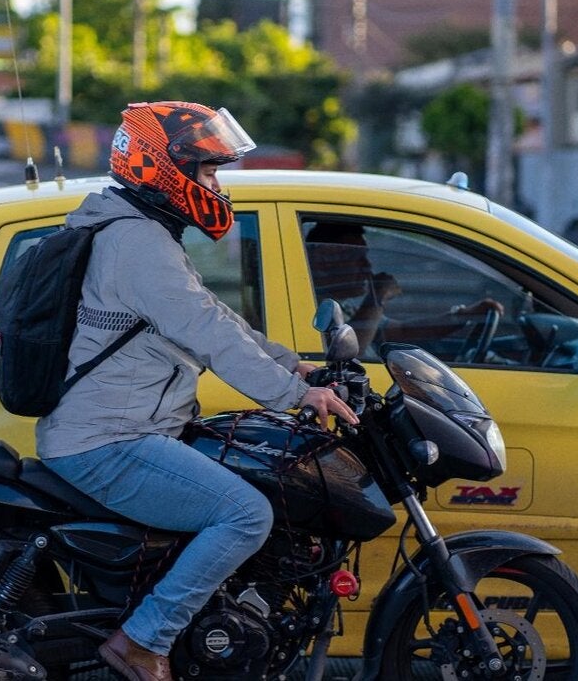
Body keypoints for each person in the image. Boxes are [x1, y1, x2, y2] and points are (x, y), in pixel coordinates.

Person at [35, 101, 357, 681]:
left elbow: (210, 314)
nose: (216, 186)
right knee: (245, 515)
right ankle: (141, 642)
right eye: (207, 173)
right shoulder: (134, 242)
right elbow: (205, 332)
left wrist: (293, 366)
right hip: (108, 438)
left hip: (124, 427)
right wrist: (290, 393)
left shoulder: (141, 232)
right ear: (164, 169)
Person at [304, 222, 502, 355]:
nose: (368, 268)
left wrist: (464, 315)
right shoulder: (311, 305)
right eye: (357, 258)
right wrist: (376, 298)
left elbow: (402, 331)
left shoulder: (342, 307)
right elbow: (353, 351)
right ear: (324, 258)